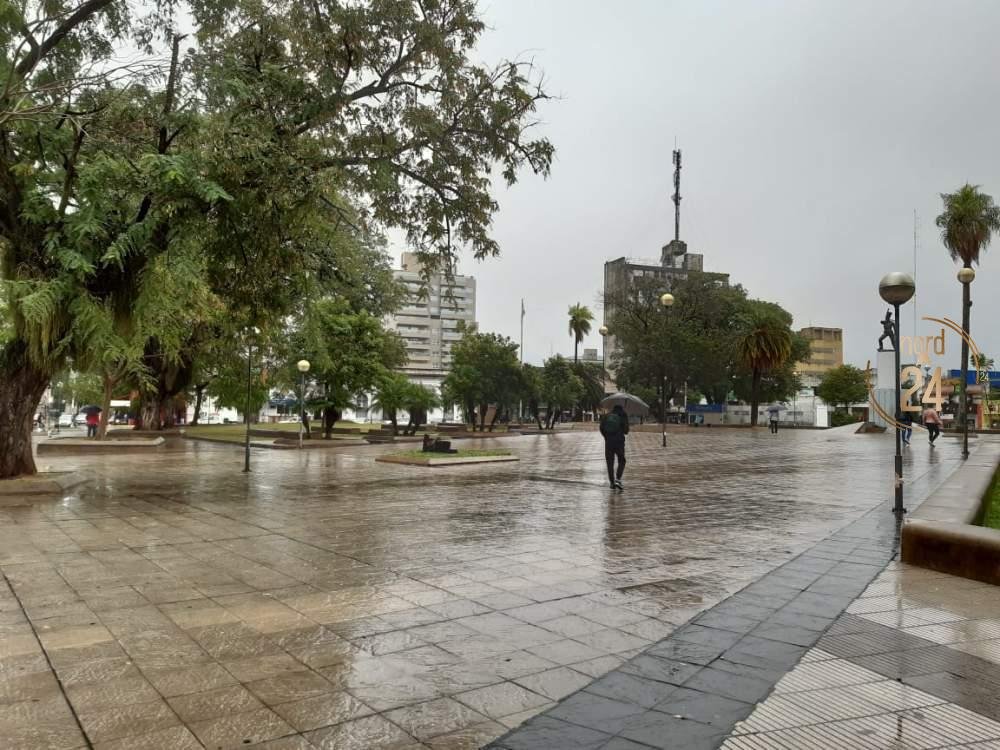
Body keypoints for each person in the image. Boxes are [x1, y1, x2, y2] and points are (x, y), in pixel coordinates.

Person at [599, 404, 630, 490]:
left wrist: (606, 437)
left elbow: (601, 427)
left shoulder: (607, 415)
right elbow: (626, 431)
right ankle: (618, 479)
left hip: (609, 442)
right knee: (622, 460)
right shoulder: (623, 415)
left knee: (610, 462)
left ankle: (612, 483)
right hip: (619, 442)